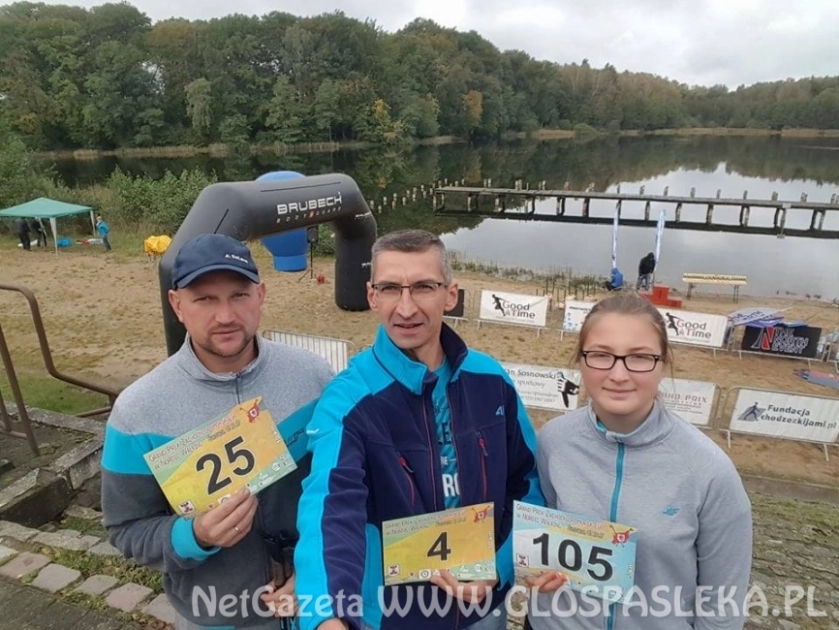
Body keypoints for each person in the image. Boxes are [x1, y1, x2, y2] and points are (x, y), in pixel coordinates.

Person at [295, 229, 543, 630]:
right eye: (391, 288)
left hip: (484, 613)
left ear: (451, 294)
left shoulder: (491, 379)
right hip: (393, 618)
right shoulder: (347, 400)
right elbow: (330, 509)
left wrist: (498, 567)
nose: (406, 308)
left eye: (424, 287)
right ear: (372, 296)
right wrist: (326, 615)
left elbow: (526, 484)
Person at [101, 233, 334, 630]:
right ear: (177, 305)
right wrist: (194, 535)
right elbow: (126, 529)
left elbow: (345, 490)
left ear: (260, 295)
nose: (225, 316)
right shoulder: (138, 412)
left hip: (317, 605)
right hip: (216, 617)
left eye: (238, 295)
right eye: (204, 299)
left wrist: (319, 568)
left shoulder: (314, 378)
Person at [527, 294, 752, 630]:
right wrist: (534, 569)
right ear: (580, 361)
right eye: (601, 355)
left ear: (663, 363)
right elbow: (539, 536)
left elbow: (723, 605)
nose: (619, 374)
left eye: (639, 357)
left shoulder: (710, 473)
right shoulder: (552, 441)